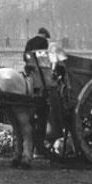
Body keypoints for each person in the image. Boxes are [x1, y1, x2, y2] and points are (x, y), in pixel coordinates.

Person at [23, 27, 61, 156]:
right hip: (43, 76)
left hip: (33, 75)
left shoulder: (29, 43)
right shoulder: (44, 43)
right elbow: (46, 60)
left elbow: (26, 58)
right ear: (45, 36)